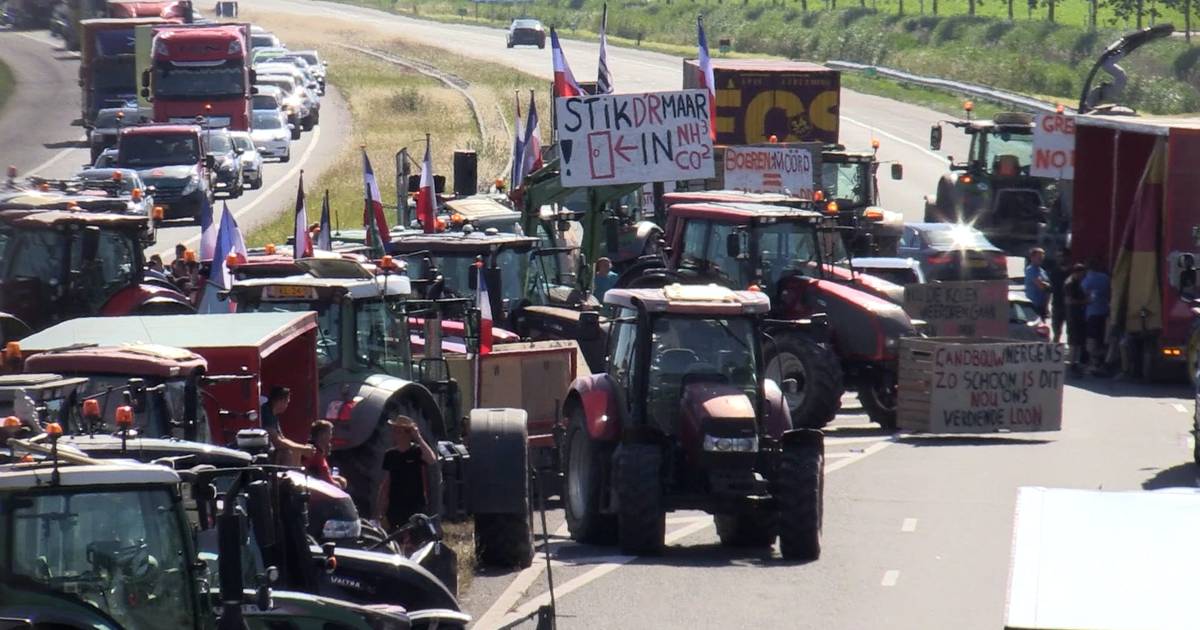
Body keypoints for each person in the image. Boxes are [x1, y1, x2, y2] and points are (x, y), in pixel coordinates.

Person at [376, 415, 436, 530]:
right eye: (394, 431)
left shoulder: (417, 451)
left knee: (415, 538)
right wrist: (380, 511)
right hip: (395, 506)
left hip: (415, 505)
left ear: (408, 434)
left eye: (398, 431)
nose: (394, 434)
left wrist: (418, 437)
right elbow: (386, 483)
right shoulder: (390, 454)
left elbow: (431, 460)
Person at [260, 386, 315, 466]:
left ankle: (296, 474)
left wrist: (301, 447)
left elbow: (283, 438)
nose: (287, 406)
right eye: (287, 402)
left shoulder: (274, 415)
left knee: (296, 450)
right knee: (288, 452)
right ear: (280, 401)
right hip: (263, 450)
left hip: (271, 449)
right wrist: (302, 448)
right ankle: (286, 476)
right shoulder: (266, 413)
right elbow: (277, 441)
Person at [1081, 258, 1111, 375]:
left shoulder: (1088, 279)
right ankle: (1100, 362)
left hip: (1092, 313)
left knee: (1091, 340)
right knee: (1101, 339)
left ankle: (1093, 363)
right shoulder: (1105, 278)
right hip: (1104, 312)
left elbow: (1082, 293)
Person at [304, 420, 348, 488]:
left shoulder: (318, 451)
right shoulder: (313, 452)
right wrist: (336, 484)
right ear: (322, 435)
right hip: (315, 487)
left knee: (341, 481)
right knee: (339, 485)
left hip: (318, 483)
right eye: (329, 433)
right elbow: (324, 478)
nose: (331, 437)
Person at [1063, 263, 1088, 373]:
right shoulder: (1070, 283)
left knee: (1078, 340)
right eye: (1082, 273)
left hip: (1078, 315)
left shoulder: (1077, 282)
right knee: (1073, 340)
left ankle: (1075, 363)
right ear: (1077, 272)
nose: (1083, 276)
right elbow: (1069, 301)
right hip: (1073, 315)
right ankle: (1072, 363)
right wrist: (1085, 301)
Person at [1049, 247, 1071, 343]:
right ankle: (1055, 351)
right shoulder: (1054, 271)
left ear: (1067, 257)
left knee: (1070, 331)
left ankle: (1072, 353)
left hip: (1069, 305)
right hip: (1057, 304)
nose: (1059, 258)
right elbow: (1052, 287)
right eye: (1058, 256)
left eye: (1061, 256)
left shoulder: (1072, 272)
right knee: (1056, 331)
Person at [1024, 247, 1051, 320]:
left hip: (1043, 305)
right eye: (1039, 257)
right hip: (1033, 306)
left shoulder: (1042, 271)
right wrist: (1047, 285)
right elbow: (1042, 286)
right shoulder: (1030, 270)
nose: (1041, 259)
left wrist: (1046, 306)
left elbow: (1048, 288)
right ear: (1032, 257)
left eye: (1042, 257)